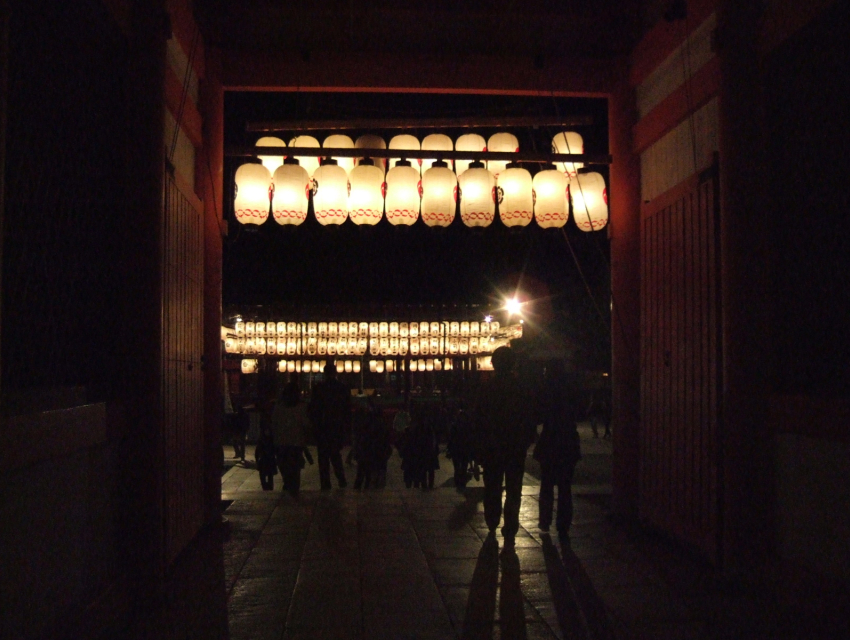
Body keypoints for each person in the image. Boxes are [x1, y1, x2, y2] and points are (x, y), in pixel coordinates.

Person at [472, 346, 535, 552]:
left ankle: (492, 520)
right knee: (514, 488)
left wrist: (480, 445)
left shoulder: (486, 389)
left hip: (492, 446)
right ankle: (511, 525)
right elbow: (529, 417)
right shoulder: (521, 388)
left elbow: (478, 420)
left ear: (494, 364)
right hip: (515, 445)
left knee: (492, 486)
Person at [534, 359, 582, 541]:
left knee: (546, 484)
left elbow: (538, 416)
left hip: (550, 439)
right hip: (568, 439)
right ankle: (563, 523)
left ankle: (545, 521)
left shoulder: (545, 392)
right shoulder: (570, 391)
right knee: (565, 486)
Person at [308, 363, 350, 489]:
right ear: (335, 373)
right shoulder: (341, 388)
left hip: (322, 427)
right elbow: (346, 409)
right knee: (335, 455)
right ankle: (341, 479)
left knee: (323, 458)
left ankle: (325, 483)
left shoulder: (318, 388)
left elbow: (313, 409)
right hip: (336, 426)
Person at [272, 381, 312, 496]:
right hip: (296, 443)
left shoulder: (278, 407)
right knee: (295, 470)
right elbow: (306, 424)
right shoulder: (301, 408)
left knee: (285, 469)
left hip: (281, 443)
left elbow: (274, 424)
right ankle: (293, 491)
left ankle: (288, 487)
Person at [447, 403, 475, 490]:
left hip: (457, 449)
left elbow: (451, 438)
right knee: (463, 466)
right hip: (463, 449)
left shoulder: (454, 426)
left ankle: (458, 481)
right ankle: (461, 482)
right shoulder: (467, 426)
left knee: (458, 467)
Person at [254, 426, 278, 491]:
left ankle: (269, 487)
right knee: (263, 476)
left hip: (269, 460)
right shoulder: (261, 440)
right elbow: (257, 450)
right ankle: (265, 487)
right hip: (264, 460)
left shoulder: (271, 440)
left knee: (270, 476)